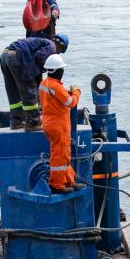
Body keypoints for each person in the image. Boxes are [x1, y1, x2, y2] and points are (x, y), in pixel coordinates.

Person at [0, 34, 69, 131]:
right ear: (61, 46)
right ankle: (32, 123)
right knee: (29, 89)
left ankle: (16, 122)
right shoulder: (52, 46)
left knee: (13, 91)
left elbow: (36, 58)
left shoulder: (43, 42)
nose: (57, 54)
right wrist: (37, 78)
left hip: (5, 56)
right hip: (16, 57)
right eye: (60, 52)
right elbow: (39, 57)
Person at [38, 54, 83, 194]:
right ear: (58, 71)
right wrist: (76, 92)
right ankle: (57, 184)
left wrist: (66, 92)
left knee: (63, 153)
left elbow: (55, 97)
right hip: (58, 126)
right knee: (59, 155)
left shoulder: (44, 84)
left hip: (48, 122)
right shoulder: (56, 87)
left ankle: (69, 180)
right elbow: (70, 102)